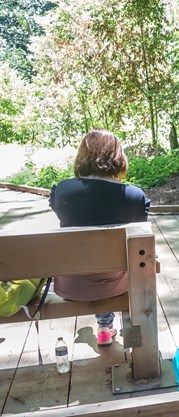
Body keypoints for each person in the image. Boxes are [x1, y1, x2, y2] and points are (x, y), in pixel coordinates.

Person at [49, 129, 150, 346]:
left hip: (71, 284)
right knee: (121, 265)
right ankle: (106, 325)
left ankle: (104, 325)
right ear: (118, 156)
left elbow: (63, 216)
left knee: (88, 262)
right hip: (117, 283)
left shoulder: (63, 190)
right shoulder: (135, 196)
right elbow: (140, 234)